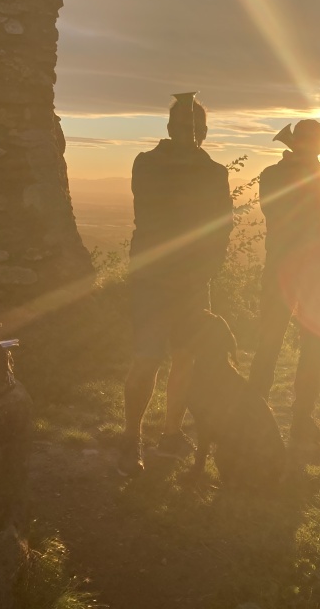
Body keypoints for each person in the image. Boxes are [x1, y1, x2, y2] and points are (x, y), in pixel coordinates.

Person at [118, 93, 234, 476]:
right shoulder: (148, 164)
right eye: (183, 127)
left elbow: (221, 226)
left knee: (185, 359)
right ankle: (131, 436)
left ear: (203, 132)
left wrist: (207, 270)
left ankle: (170, 435)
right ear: (170, 129)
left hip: (193, 279)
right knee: (146, 358)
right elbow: (155, 209)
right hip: (153, 277)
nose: (190, 134)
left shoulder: (214, 172)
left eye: (196, 128)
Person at [248, 119, 320, 444]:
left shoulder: (275, 175)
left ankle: (259, 416)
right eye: (318, 141)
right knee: (306, 346)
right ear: (311, 143)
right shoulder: (313, 177)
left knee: (274, 343)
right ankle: (296, 419)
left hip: (288, 268)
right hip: (307, 270)